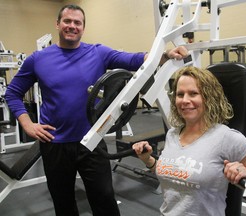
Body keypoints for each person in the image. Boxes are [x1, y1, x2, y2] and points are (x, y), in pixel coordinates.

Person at [4, 4, 188, 216]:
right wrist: (27, 124)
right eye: (67, 21)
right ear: (57, 24)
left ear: (83, 27)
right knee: (63, 202)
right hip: (54, 144)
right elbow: (13, 93)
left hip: (92, 140)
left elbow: (135, 59)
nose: (72, 26)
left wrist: (164, 55)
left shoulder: (98, 53)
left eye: (77, 23)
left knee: (104, 199)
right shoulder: (38, 59)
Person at [132, 66, 246, 216]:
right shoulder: (172, 134)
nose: (184, 100)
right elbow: (175, 173)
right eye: (180, 94)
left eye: (193, 94)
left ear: (208, 97)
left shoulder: (228, 138)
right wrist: (148, 160)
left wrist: (245, 176)